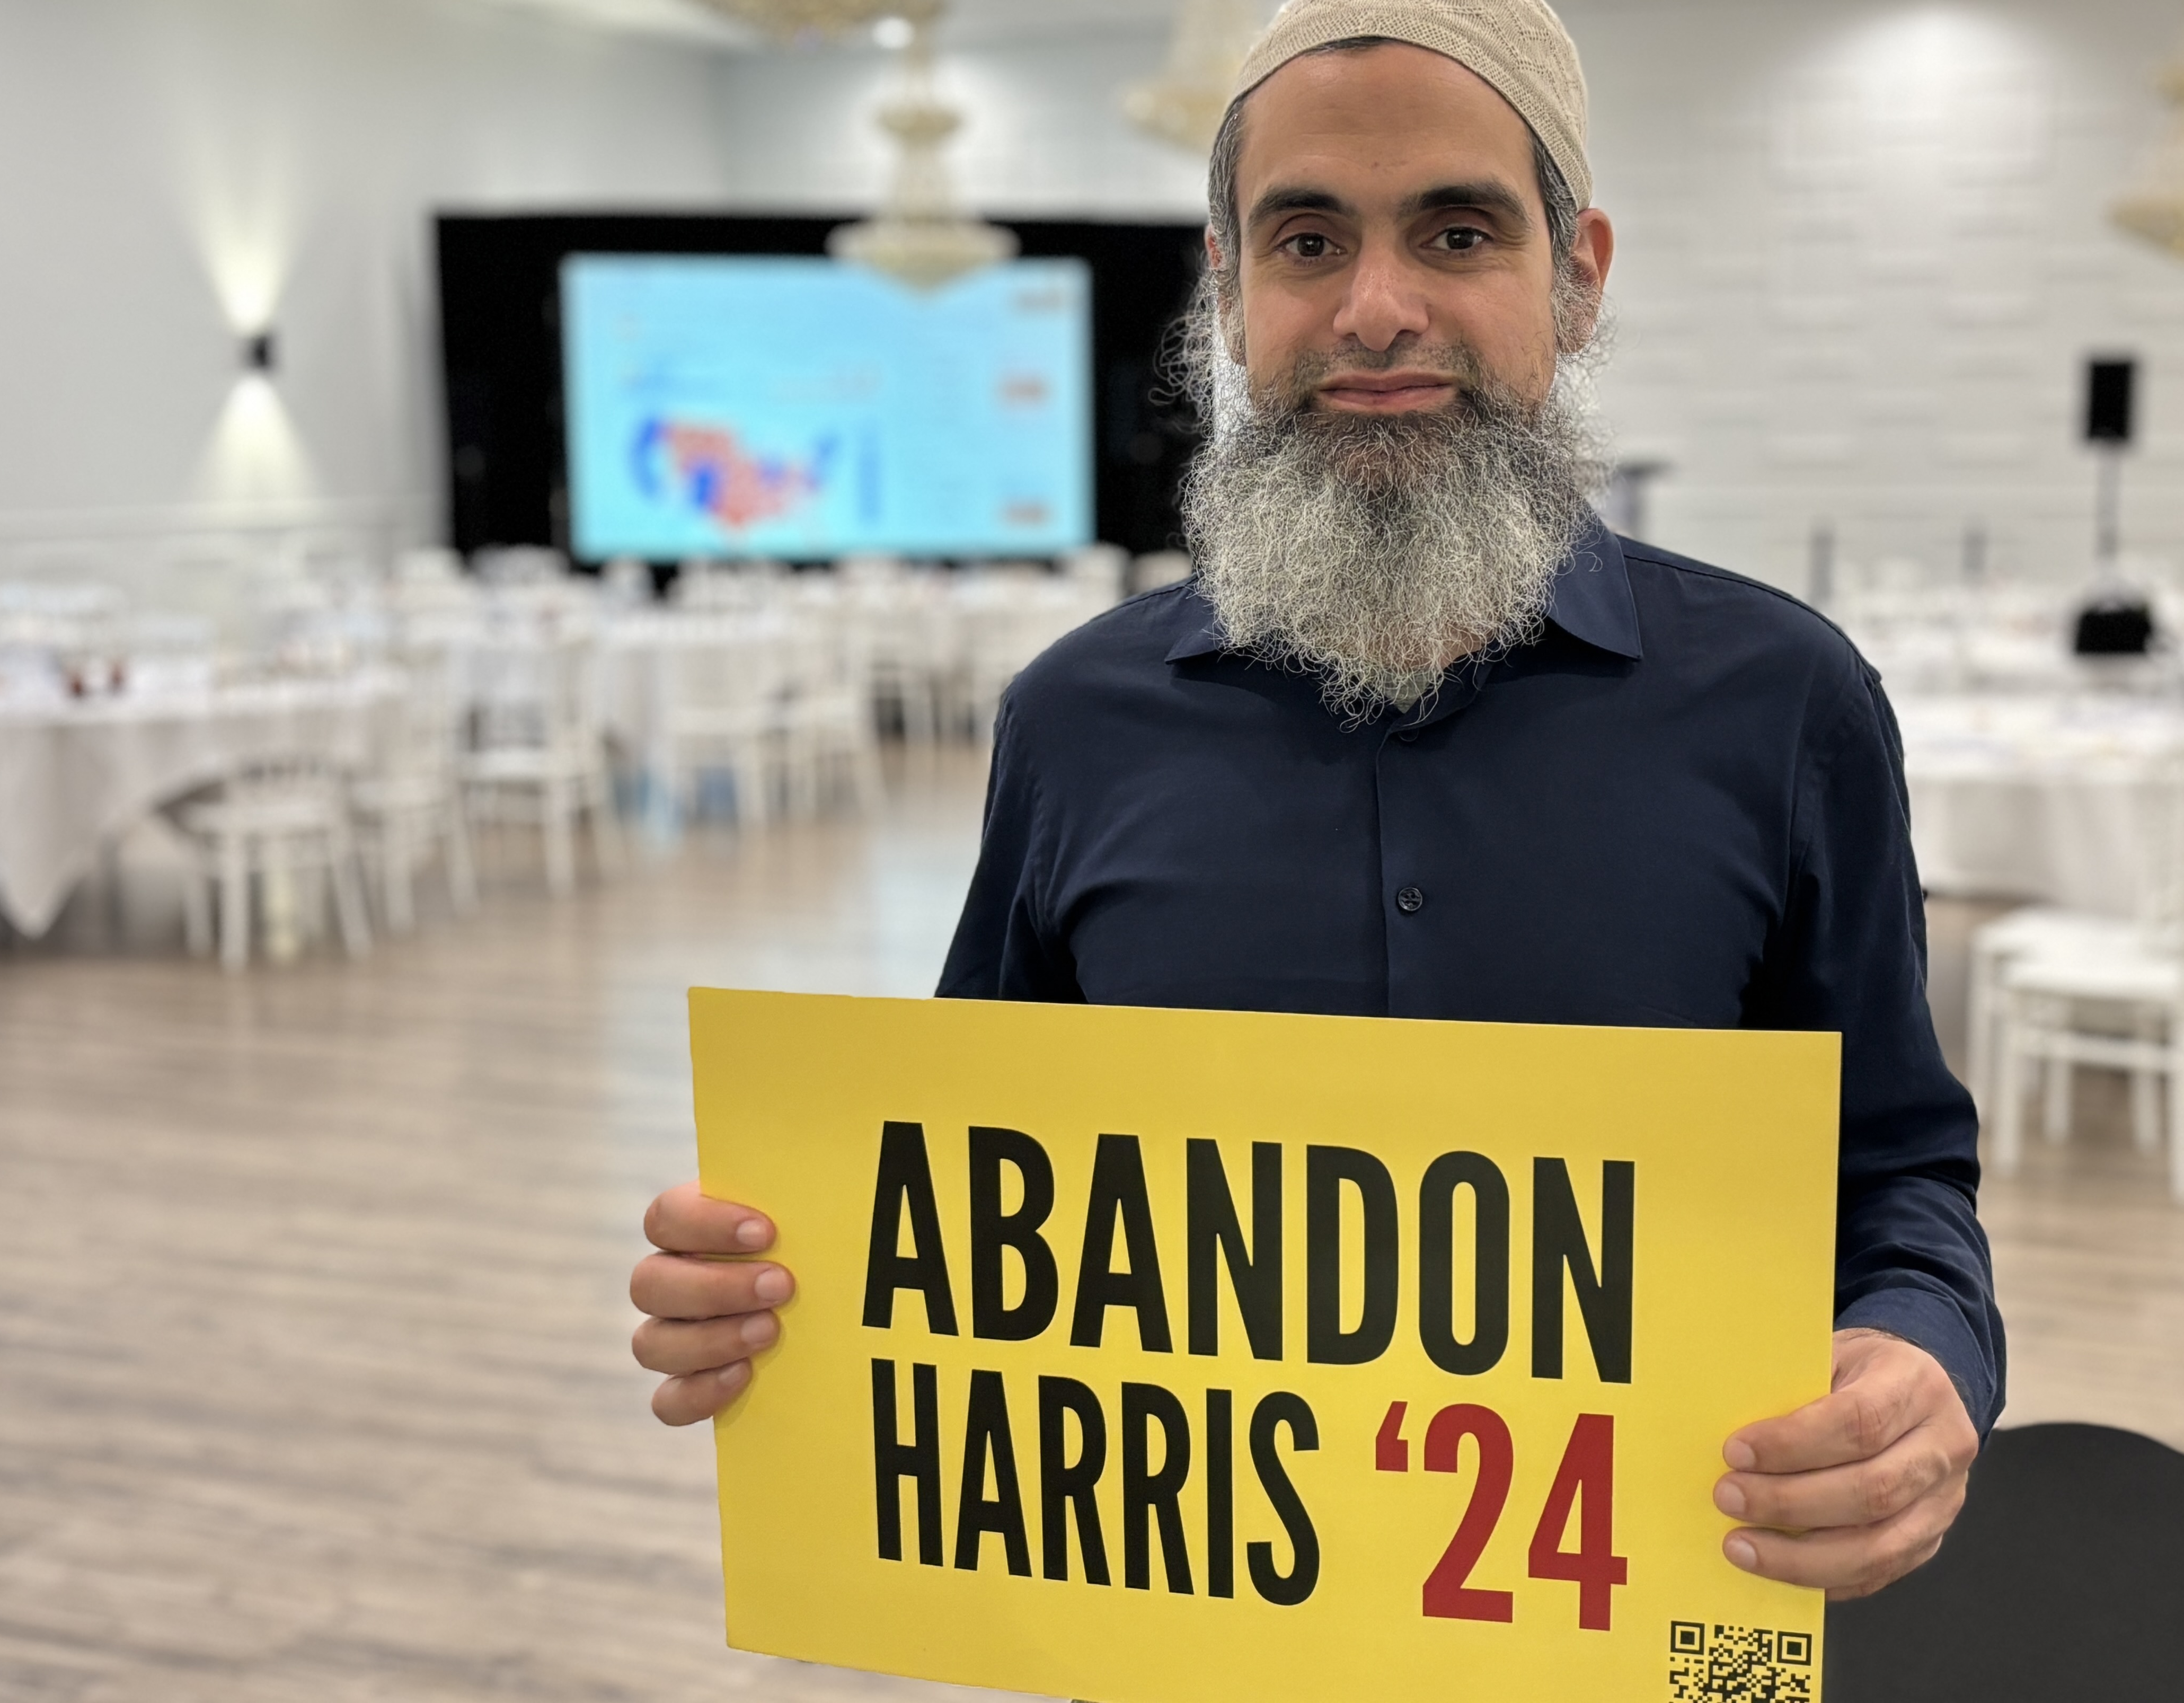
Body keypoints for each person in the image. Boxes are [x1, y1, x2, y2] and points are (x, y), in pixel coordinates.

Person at [632, 0, 2000, 1603]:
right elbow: (969, 1214)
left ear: (1577, 274)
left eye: (1459, 231)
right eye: (1305, 240)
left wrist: (1919, 1358)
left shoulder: (1784, 706)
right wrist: (770, 1289)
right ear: (1228, 285)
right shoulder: (1074, 725)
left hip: (1635, 1640)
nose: (1376, 308)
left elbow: (1897, 1168)